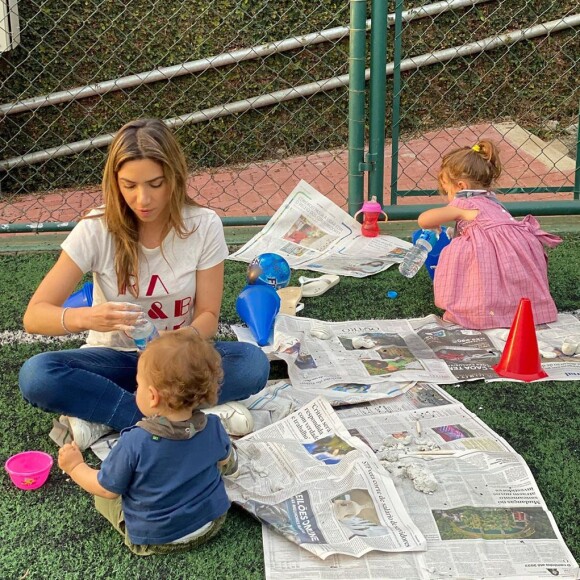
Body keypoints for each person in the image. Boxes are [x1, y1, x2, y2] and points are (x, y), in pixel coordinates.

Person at [19, 118, 269, 449]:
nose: (143, 199)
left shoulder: (203, 225)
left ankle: (104, 416)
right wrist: (88, 318)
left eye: (155, 184)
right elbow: (34, 316)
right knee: (37, 375)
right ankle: (175, 421)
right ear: (115, 183)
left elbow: (208, 315)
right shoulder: (97, 227)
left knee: (252, 365)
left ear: (174, 178)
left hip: (176, 362)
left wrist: (176, 340)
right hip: (115, 358)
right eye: (129, 185)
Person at [58, 328, 239, 555]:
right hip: (212, 522)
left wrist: (75, 466)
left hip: (157, 539)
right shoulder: (213, 426)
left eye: (138, 385)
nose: (136, 391)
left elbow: (106, 489)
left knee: (103, 498)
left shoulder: (136, 441)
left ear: (152, 396)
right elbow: (227, 464)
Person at [418, 140, 562, 330]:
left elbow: (424, 219)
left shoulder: (464, 203)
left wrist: (436, 220)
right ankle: (529, 311)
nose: (447, 195)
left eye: (447, 189)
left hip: (489, 252)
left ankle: (479, 313)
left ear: (460, 186)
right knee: (509, 282)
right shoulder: (493, 202)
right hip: (520, 249)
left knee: (466, 255)